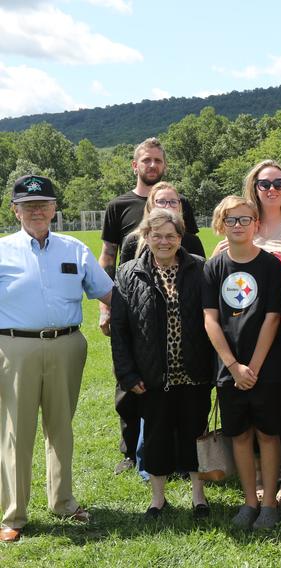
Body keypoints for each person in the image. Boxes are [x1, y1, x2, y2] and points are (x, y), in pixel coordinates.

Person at [0, 175, 113, 543]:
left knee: (61, 426)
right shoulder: (2, 250)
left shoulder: (75, 249)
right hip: (15, 347)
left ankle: (63, 502)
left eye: (43, 204)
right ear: (15, 210)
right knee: (17, 431)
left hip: (67, 345)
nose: (37, 211)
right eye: (28, 205)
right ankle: (14, 514)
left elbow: (108, 293)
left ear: (54, 209)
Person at [99, 137, 201, 476]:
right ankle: (131, 451)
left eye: (158, 160)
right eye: (147, 160)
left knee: (172, 388)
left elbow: (195, 253)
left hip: (174, 310)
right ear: (136, 165)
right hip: (135, 309)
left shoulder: (181, 210)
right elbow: (110, 259)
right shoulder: (119, 207)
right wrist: (106, 306)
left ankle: (174, 453)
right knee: (131, 387)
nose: (152, 165)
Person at [110, 208, 214, 520]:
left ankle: (199, 495)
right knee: (155, 435)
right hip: (151, 375)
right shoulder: (128, 273)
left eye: (170, 235)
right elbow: (120, 329)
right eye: (157, 235)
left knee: (195, 433)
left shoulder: (199, 268)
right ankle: (158, 498)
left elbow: (212, 319)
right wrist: (127, 373)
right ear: (146, 237)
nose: (164, 241)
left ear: (180, 237)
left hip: (193, 370)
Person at [202, 196, 281, 530]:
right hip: (230, 371)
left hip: (266, 368)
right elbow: (210, 320)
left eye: (244, 220)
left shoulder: (270, 265)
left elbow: (272, 318)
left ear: (256, 224)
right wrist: (233, 366)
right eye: (231, 220)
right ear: (220, 225)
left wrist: (251, 367)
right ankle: (249, 501)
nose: (238, 226)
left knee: (268, 434)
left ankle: (269, 503)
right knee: (238, 435)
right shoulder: (213, 268)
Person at [235, 160, 281, 504]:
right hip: (247, 330)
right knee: (254, 401)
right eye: (264, 184)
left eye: (278, 182)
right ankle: (260, 472)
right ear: (254, 187)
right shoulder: (247, 223)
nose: (272, 189)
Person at [119, 182, 205, 263]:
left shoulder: (192, 241)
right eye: (161, 201)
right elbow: (124, 275)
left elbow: (201, 274)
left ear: (179, 206)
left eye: (173, 202)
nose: (168, 206)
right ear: (151, 205)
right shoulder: (133, 241)